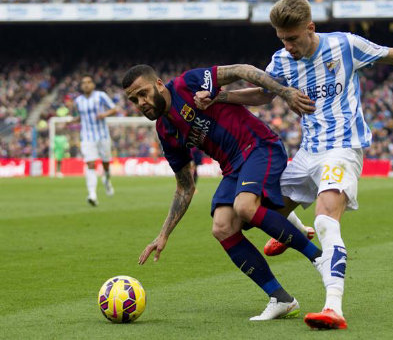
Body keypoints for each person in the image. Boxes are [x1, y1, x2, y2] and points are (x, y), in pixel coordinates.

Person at [194, 0, 393, 330]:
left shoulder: (345, 45)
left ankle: (333, 307)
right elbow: (263, 93)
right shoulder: (281, 61)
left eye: (293, 38)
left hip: (343, 148)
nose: (288, 46)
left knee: (327, 222)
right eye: (282, 39)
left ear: (311, 28)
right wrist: (221, 97)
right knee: (252, 215)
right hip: (307, 154)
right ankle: (293, 230)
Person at [123, 63, 322, 321]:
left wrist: (284, 92)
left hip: (258, 145)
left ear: (159, 84)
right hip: (233, 169)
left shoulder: (188, 84)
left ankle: (319, 258)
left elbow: (239, 70)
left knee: (245, 206)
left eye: (143, 93)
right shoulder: (166, 131)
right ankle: (281, 298)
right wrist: (163, 235)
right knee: (222, 226)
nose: (141, 102)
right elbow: (185, 187)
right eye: (134, 99)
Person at [72, 75, 117, 206]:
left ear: (93, 84)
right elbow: (80, 116)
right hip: (87, 137)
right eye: (83, 83)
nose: (86, 85)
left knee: (106, 164)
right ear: (81, 86)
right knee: (90, 164)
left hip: (102, 135)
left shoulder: (100, 96)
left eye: (89, 82)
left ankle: (107, 181)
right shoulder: (78, 101)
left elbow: (114, 109)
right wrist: (71, 121)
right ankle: (92, 194)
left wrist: (104, 114)